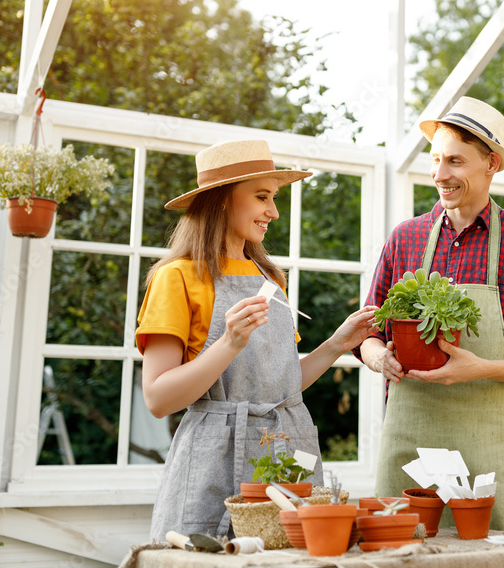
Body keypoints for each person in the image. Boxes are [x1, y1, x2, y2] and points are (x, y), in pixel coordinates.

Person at [136, 139, 377, 540]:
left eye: (274, 197)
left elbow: (279, 386)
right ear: (222, 200)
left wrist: (336, 344)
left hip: (284, 453)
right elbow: (159, 399)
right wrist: (228, 343)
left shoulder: (269, 279)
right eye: (262, 197)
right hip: (213, 462)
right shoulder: (176, 277)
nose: (274, 212)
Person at [357, 97, 504, 530]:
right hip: (410, 446)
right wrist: (378, 356)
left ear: (490, 163)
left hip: (491, 449)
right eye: (435, 160)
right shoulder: (405, 239)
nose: (440, 175)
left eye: (455, 161)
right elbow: (368, 332)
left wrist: (480, 368)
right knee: (402, 551)